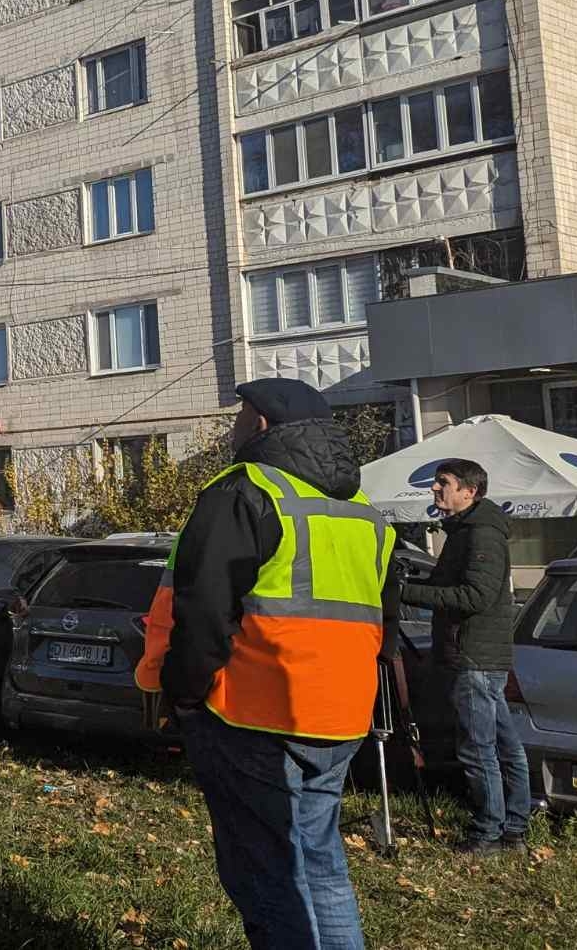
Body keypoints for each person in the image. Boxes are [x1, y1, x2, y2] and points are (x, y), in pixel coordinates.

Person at [136, 378, 399, 950]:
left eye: (241, 413)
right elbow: (385, 625)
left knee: (266, 872)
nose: (234, 424)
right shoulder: (366, 513)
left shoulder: (243, 489)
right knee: (321, 862)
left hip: (254, 713)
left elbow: (203, 610)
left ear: (260, 423)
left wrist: (183, 694)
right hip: (340, 718)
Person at [399, 457, 530, 851]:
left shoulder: (481, 533)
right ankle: (514, 829)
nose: (435, 489)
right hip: (478, 655)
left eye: (444, 483)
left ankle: (488, 833)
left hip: (473, 655)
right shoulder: (465, 530)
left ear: (469, 491)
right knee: (506, 746)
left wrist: (405, 593)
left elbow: (476, 595)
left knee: (478, 749)